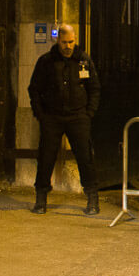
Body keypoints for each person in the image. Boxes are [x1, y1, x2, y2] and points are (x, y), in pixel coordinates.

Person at [28, 24, 101, 215]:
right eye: (64, 42)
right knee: (46, 158)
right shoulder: (46, 62)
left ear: (75, 39)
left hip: (78, 116)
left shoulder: (84, 61)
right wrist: (41, 115)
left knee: (85, 157)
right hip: (52, 116)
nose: (68, 46)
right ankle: (41, 199)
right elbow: (34, 89)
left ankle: (92, 198)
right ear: (57, 40)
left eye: (71, 42)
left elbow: (94, 88)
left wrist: (88, 113)